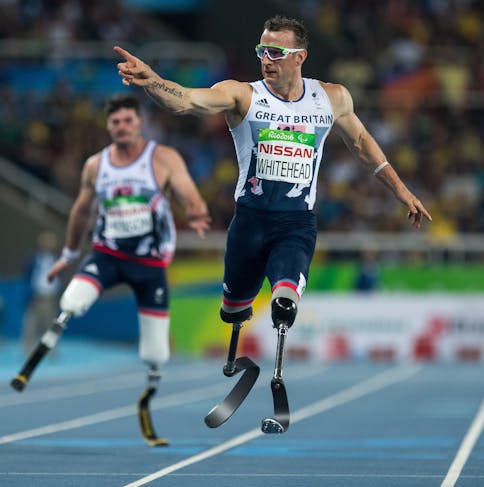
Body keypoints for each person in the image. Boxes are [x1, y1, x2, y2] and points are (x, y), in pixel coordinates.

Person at [113, 16, 431, 388]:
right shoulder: (242, 95)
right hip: (249, 223)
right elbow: (187, 102)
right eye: (262, 50)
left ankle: (277, 373)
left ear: (300, 57)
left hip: (295, 225)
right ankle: (237, 315)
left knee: (285, 300)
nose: (266, 58)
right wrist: (153, 81)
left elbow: (361, 143)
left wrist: (400, 190)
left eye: (276, 52)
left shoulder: (331, 98)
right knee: (233, 307)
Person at [12, 94, 211, 446]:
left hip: (150, 265)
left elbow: (188, 192)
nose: (122, 127)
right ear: (109, 126)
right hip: (107, 255)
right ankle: (48, 340)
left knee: (155, 352)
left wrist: (195, 210)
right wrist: (69, 253)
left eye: (128, 121)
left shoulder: (162, 158)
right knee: (73, 300)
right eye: (115, 122)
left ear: (139, 123)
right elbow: (80, 212)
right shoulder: (96, 166)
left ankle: (148, 397)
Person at [21, 231, 61, 355]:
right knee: (31, 324)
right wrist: (29, 292)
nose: (48, 244)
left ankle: (51, 351)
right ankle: (27, 351)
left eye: (51, 242)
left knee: (51, 325)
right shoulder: (33, 258)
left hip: (50, 297)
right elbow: (26, 275)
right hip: (35, 296)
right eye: (46, 242)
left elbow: (60, 276)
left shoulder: (57, 258)